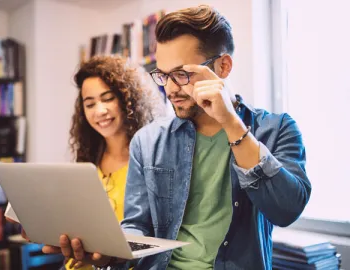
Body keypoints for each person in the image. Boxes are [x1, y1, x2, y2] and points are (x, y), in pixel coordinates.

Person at [42, 4, 312, 270]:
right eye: (163, 75)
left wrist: (231, 123)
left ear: (224, 66)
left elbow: (286, 210)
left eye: (182, 74)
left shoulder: (277, 130)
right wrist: (108, 255)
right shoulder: (148, 142)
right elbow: (137, 226)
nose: (170, 89)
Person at [6, 55, 166, 269]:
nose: (99, 111)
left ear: (129, 100)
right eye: (90, 104)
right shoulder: (88, 161)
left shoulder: (153, 160)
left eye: (108, 98)